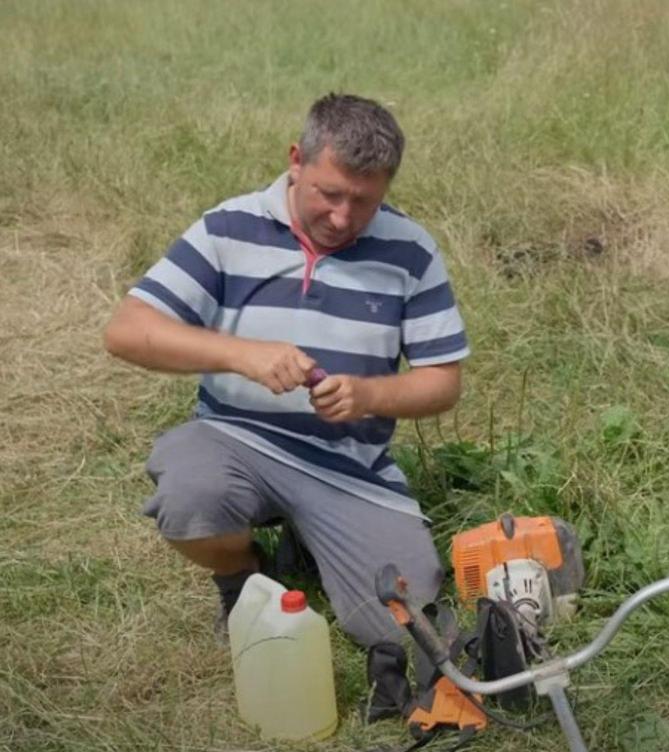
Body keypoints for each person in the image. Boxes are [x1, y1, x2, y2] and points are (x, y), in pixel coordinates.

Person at [103, 92, 468, 649]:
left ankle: (313, 535)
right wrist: (240, 354)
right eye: (330, 194)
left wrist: (369, 394)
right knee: (190, 498)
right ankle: (243, 575)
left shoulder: (411, 250)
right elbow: (126, 331)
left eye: (364, 202)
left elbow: (443, 383)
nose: (343, 218)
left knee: (407, 627)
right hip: (233, 441)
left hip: (349, 468)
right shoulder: (228, 228)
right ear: (296, 159)